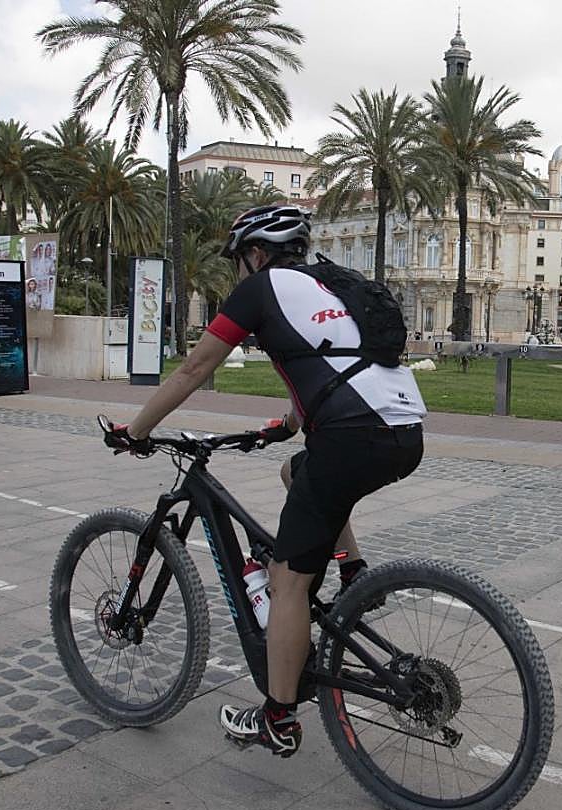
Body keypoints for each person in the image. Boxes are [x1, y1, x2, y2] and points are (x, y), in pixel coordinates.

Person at [106, 205, 426, 758]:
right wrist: (290, 424)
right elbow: (336, 362)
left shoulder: (258, 291)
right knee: (297, 469)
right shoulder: (329, 282)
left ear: (254, 254)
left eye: (238, 261)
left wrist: (137, 430)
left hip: (351, 438)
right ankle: (352, 573)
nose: (237, 272)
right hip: (403, 430)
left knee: (288, 582)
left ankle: (278, 718)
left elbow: (192, 369)